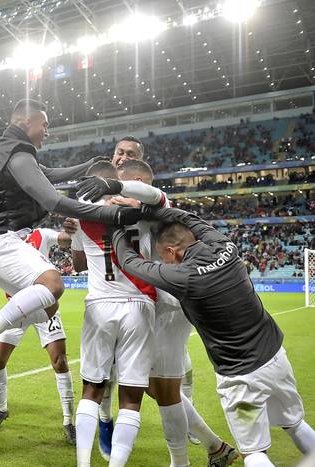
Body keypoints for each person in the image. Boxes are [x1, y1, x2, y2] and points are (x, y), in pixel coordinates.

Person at [0, 99, 145, 387]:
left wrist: (92, 166)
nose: (47, 131)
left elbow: (49, 175)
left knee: (47, 308)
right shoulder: (18, 154)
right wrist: (110, 213)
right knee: (53, 284)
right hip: (0, 241)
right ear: (25, 122)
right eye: (44, 124)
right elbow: (52, 200)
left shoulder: (12, 150)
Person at [112, 206, 315, 467]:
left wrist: (115, 227)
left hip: (241, 375)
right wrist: (156, 208)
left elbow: (130, 262)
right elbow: (189, 218)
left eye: (164, 257)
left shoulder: (183, 276)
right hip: (276, 357)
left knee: (254, 452)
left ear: (172, 251)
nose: (164, 262)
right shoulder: (226, 247)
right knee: (295, 423)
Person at [76, 159, 237, 467]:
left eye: (123, 165)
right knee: (153, 387)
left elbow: (149, 203)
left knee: (164, 390)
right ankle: (215, 447)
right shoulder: (128, 208)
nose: (117, 164)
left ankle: (184, 461)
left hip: (165, 308)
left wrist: (117, 191)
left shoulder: (152, 203)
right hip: (148, 305)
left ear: (139, 180)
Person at [69, 159, 160, 467]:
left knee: (91, 390)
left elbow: (78, 265)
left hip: (99, 305)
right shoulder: (142, 208)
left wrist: (72, 231)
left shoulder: (82, 215)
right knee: (132, 397)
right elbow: (158, 200)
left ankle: (83, 463)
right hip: (140, 303)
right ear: (115, 180)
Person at [0, 227, 76, 446]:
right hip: (15, 308)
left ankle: (68, 421)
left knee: (59, 361)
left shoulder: (40, 234)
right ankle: (2, 409)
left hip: (45, 306)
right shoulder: (3, 240)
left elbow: (63, 238)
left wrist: (74, 230)